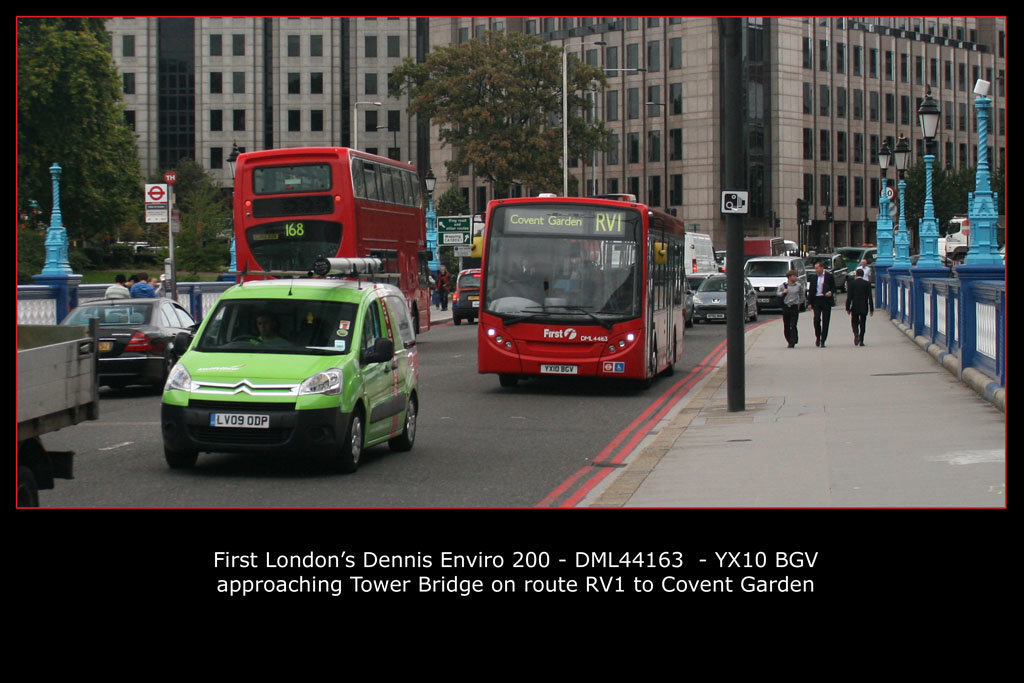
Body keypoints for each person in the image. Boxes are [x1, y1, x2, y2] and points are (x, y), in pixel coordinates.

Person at [806, 260, 836, 347]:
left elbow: (833, 287)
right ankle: (818, 337)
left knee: (826, 321)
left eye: (817, 268)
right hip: (816, 300)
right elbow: (811, 291)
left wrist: (830, 292)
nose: (816, 270)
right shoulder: (814, 278)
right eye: (815, 268)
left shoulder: (829, 276)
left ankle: (823, 340)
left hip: (826, 300)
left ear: (822, 268)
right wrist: (809, 302)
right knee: (816, 319)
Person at [776, 269, 806, 348]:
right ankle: (789, 339)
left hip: (794, 307)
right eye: (794, 276)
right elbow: (777, 293)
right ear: (789, 277)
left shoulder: (798, 286)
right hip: (786, 307)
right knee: (786, 325)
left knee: (793, 324)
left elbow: (802, 295)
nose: (796, 277)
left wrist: (799, 303)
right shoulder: (783, 286)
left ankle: (793, 340)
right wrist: (783, 292)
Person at [846, 268, 874, 346]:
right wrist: (871, 309)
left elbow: (849, 297)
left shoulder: (851, 283)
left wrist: (847, 308)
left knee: (854, 322)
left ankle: (856, 333)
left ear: (856, 275)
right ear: (862, 275)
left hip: (855, 306)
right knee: (863, 323)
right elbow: (870, 297)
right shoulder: (867, 284)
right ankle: (861, 340)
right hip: (864, 306)